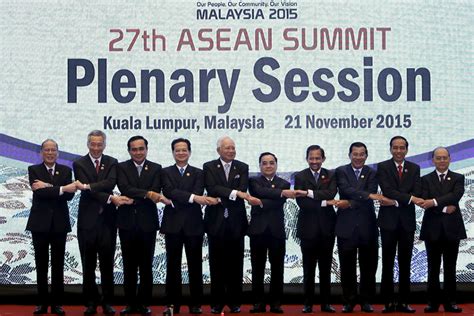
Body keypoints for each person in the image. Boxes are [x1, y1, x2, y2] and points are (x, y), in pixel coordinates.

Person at [73, 130, 132, 315]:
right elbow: (87, 188)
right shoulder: (79, 163)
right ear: (88, 144)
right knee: (87, 265)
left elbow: (110, 183)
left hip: (108, 221)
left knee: (108, 264)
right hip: (87, 222)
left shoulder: (112, 162)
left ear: (104, 145)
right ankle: (90, 302)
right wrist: (109, 198)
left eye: (100, 144)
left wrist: (89, 186)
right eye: (93, 144)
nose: (96, 148)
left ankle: (107, 302)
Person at [203, 136, 261, 314]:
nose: (231, 151)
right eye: (227, 148)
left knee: (236, 265)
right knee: (216, 264)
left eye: (233, 148)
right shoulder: (209, 166)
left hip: (236, 222)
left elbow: (242, 188)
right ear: (219, 150)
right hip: (215, 222)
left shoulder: (241, 167)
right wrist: (234, 192)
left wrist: (228, 194)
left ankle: (235, 302)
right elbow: (212, 188)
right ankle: (217, 302)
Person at [161, 138, 218, 315]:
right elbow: (169, 192)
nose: (181, 153)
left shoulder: (199, 173)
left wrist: (183, 198)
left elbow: (198, 191)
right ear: (173, 153)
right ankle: (173, 304)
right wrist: (192, 198)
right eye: (177, 150)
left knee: (195, 266)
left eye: (184, 150)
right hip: (173, 225)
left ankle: (196, 304)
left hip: (193, 225)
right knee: (172, 266)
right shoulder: (165, 172)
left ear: (189, 152)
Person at [116, 135, 169, 315]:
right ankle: (130, 303)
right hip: (127, 222)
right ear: (129, 150)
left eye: (141, 149)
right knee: (129, 265)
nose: (138, 152)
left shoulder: (156, 168)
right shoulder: (121, 167)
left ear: (146, 149)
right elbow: (125, 188)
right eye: (134, 149)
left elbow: (156, 190)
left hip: (148, 223)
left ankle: (144, 303)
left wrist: (144, 194)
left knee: (146, 265)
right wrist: (147, 194)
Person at [248, 152, 305, 314]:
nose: (268, 166)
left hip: (276, 231)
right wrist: (279, 194)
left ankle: (275, 303)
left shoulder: (284, 183)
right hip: (258, 231)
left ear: (276, 165)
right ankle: (258, 303)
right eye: (264, 163)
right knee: (257, 269)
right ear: (260, 166)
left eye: (271, 163)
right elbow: (260, 193)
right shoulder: (252, 182)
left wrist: (260, 202)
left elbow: (274, 201)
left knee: (277, 269)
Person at [27, 139, 77, 315]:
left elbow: (68, 197)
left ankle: (57, 304)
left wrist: (49, 186)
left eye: (53, 150)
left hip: (59, 225)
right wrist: (61, 188)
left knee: (58, 265)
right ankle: (42, 303)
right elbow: (39, 192)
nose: (50, 153)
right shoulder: (34, 170)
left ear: (58, 153)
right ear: (41, 152)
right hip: (39, 225)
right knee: (41, 264)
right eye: (46, 150)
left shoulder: (66, 170)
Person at [376, 136, 423, 313]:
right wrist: (408, 198)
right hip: (388, 223)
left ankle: (404, 301)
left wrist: (395, 201)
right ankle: (387, 302)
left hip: (407, 223)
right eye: (395, 148)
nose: (398, 151)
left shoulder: (415, 168)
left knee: (405, 263)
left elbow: (417, 191)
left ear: (406, 150)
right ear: (390, 149)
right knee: (387, 262)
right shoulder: (383, 167)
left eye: (402, 148)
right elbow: (387, 190)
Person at [335, 142, 381, 313]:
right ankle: (349, 300)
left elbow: (370, 194)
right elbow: (346, 190)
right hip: (346, 227)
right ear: (350, 155)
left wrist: (351, 202)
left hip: (367, 226)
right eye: (355, 154)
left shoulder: (372, 173)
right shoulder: (341, 171)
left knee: (369, 266)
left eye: (362, 154)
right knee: (347, 267)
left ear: (366, 156)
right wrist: (366, 195)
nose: (358, 157)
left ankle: (366, 300)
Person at [419, 147, 466, 313]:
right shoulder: (425, 179)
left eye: (444, 157)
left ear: (450, 159)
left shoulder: (459, 178)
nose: (441, 161)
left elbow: (455, 196)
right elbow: (424, 201)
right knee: (432, 268)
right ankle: (432, 303)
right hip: (432, 229)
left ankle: (450, 302)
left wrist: (433, 202)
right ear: (432, 160)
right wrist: (443, 208)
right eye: (438, 158)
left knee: (450, 267)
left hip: (452, 230)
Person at [294, 145, 338, 313]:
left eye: (317, 158)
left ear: (323, 159)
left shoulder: (331, 175)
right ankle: (308, 303)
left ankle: (326, 303)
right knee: (308, 268)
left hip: (327, 229)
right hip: (307, 229)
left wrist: (310, 193)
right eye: (311, 158)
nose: (314, 161)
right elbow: (302, 202)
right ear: (307, 159)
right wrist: (324, 201)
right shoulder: (300, 176)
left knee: (326, 269)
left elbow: (331, 193)